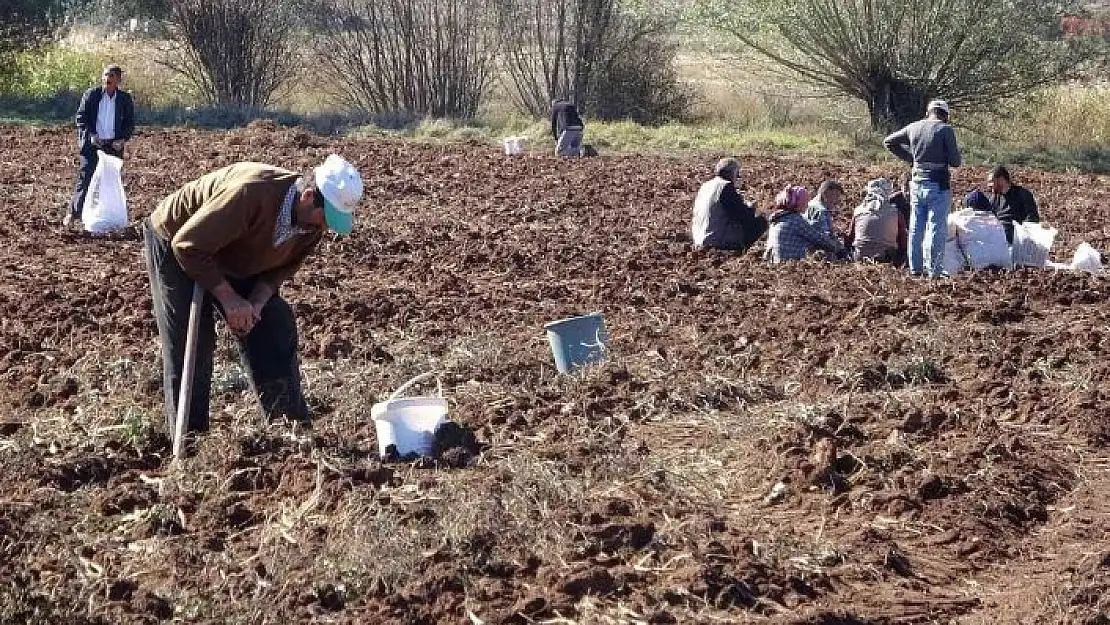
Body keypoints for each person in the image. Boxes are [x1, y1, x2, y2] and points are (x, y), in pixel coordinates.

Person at [142, 155, 364, 442]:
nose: (326, 228)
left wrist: (255, 304)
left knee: (273, 323)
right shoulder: (251, 193)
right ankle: (190, 442)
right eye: (327, 218)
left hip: (240, 251)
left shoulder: (311, 226)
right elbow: (187, 246)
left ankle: (289, 430)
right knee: (193, 342)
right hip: (180, 243)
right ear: (309, 197)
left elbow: (280, 270)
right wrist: (229, 298)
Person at [883, 100, 962, 277]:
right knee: (936, 227)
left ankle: (915, 268)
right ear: (945, 115)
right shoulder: (945, 130)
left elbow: (889, 142)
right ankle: (934, 270)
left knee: (916, 226)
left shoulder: (913, 127)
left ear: (928, 112)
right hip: (938, 184)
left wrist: (912, 159)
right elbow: (956, 162)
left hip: (917, 183)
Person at [65, 64, 135, 228]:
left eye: (111, 76)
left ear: (118, 80)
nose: (107, 79)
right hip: (93, 144)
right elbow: (81, 118)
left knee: (110, 182)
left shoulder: (124, 99)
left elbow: (129, 123)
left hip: (113, 146)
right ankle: (73, 214)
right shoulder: (91, 95)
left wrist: (123, 139)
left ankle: (106, 217)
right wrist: (91, 136)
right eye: (105, 75)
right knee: (86, 176)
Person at [691, 158, 768, 252]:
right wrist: (751, 208)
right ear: (733, 173)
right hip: (715, 240)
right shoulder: (726, 187)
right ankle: (738, 251)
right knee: (761, 221)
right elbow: (741, 216)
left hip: (698, 238)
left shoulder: (705, 186)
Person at [765, 185, 845, 263]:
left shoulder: (778, 217)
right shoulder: (795, 219)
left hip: (773, 259)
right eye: (805, 203)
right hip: (788, 259)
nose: (807, 206)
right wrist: (837, 248)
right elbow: (817, 238)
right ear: (799, 203)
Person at [845, 178, 908, 264]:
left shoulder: (858, 210)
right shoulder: (896, 212)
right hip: (887, 259)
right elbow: (903, 240)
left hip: (859, 257)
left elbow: (850, 237)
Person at [986, 165, 1040, 244]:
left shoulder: (1022, 194)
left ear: (1001, 179)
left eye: (991, 181)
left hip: (1016, 240)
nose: (989, 185)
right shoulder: (994, 198)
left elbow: (1032, 218)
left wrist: (1021, 233)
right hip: (998, 240)